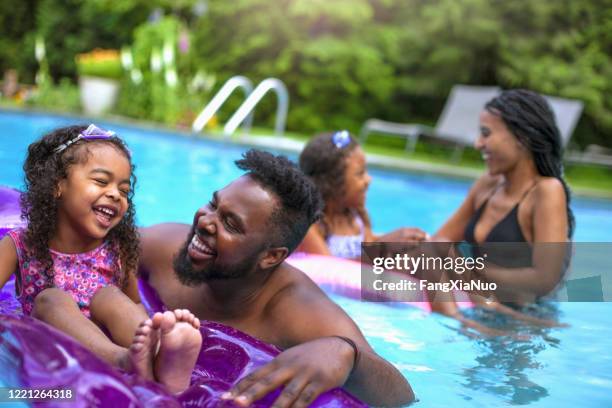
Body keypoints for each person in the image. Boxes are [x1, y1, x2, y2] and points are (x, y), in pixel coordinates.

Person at [139, 149, 415, 407]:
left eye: (231, 224)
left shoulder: (296, 312)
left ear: (271, 257)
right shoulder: (163, 248)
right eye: (213, 204)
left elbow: (401, 396)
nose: (204, 221)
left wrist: (346, 354)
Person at [0, 124, 202, 393]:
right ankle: (124, 359)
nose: (115, 194)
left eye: (124, 190)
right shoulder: (20, 244)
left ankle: (164, 358)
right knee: (51, 299)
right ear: (58, 185)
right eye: (100, 181)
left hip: (107, 334)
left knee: (110, 296)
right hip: (53, 337)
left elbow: (133, 304)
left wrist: (148, 327)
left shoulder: (117, 250)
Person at [430, 89, 573, 317]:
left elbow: (544, 279)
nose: (478, 144)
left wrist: (466, 271)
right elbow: (439, 240)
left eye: (486, 134)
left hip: (525, 320)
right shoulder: (488, 184)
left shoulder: (546, 191)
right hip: (481, 304)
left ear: (521, 137)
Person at [298, 130, 427, 260]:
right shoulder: (309, 226)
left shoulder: (357, 217)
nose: (368, 179)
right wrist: (382, 248)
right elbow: (328, 268)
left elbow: (369, 246)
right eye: (360, 173)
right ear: (332, 183)